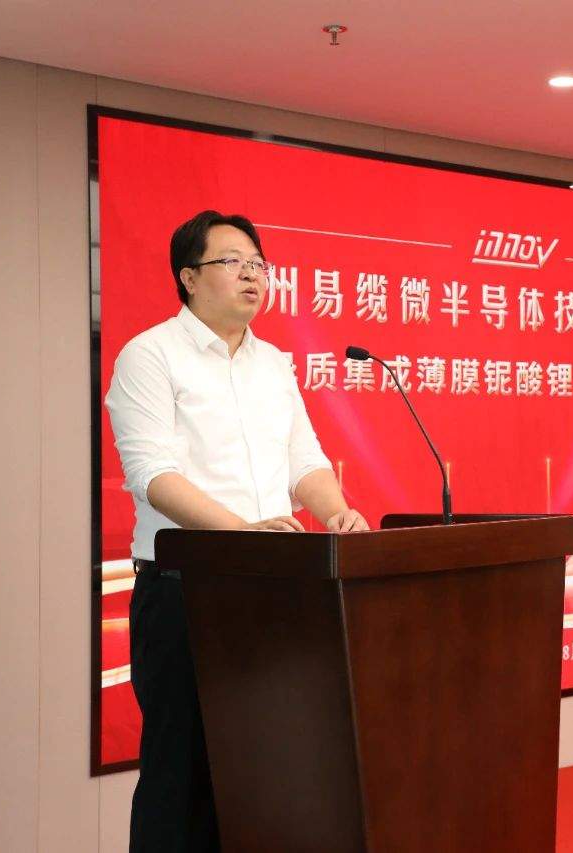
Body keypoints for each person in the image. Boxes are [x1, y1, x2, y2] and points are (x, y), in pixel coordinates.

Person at [105, 209, 368, 852]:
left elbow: (304, 461)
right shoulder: (150, 355)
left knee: (265, 767)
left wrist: (337, 512)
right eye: (232, 262)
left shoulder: (272, 363)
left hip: (274, 591)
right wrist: (241, 534)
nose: (252, 274)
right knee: (182, 773)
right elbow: (152, 475)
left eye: (258, 264)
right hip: (185, 591)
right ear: (189, 277)